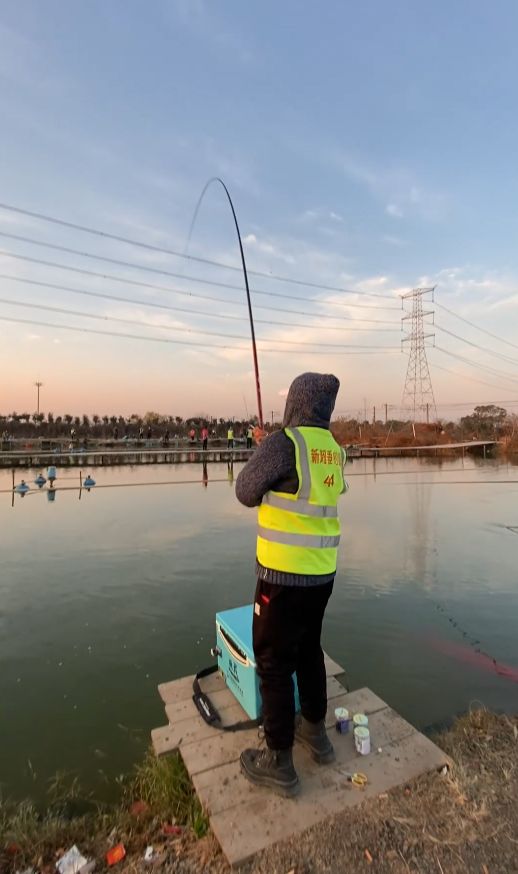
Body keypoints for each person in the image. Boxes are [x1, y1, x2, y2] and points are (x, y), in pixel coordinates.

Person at [235, 373, 347, 797]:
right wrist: (270, 445)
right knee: (308, 649)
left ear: (296, 404)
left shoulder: (284, 445)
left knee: (272, 661)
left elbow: (246, 491)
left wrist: (267, 446)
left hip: (282, 576)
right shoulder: (331, 450)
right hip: (322, 573)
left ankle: (278, 759)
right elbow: (306, 482)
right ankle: (315, 733)